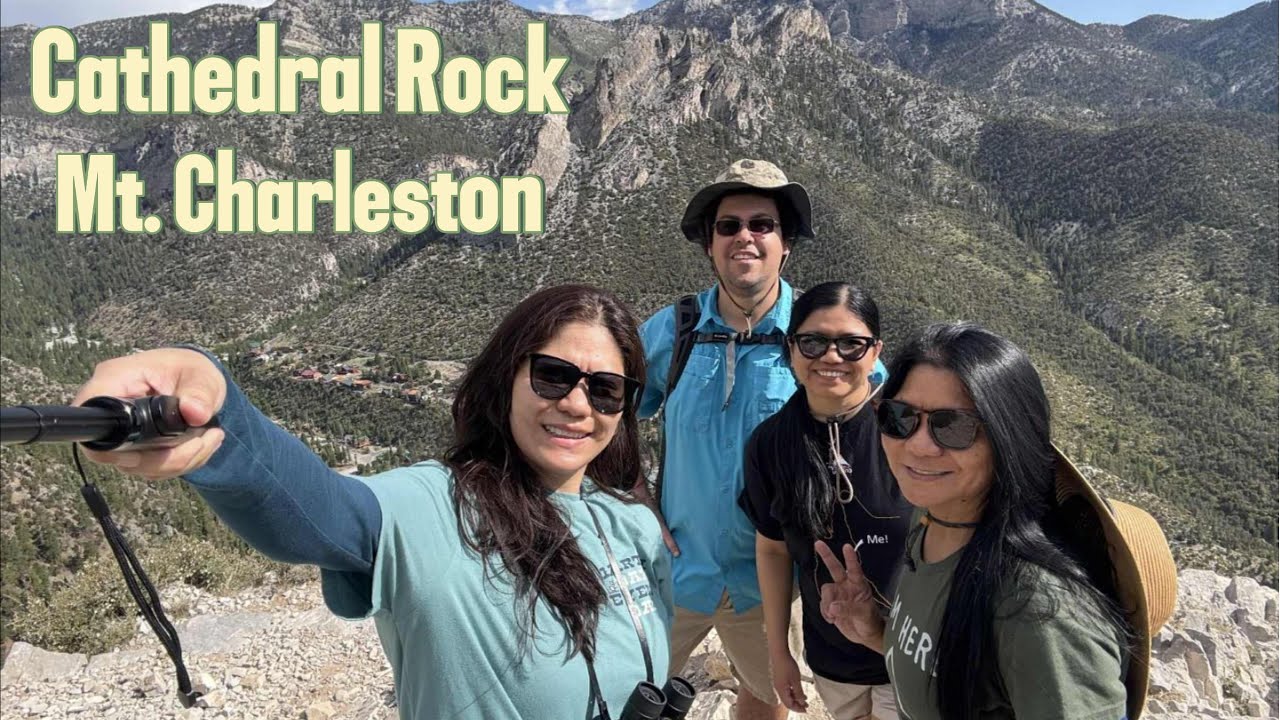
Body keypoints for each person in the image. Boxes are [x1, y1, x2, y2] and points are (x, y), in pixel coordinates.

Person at [74, 285, 675, 720]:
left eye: (606, 389)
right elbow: (319, 513)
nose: (578, 404)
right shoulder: (435, 506)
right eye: (553, 376)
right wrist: (215, 405)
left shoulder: (633, 528)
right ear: (505, 379)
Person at [814, 322, 1178, 720]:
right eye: (899, 417)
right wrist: (875, 632)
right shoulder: (933, 519)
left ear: (1008, 439)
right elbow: (951, 669)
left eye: (953, 426)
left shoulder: (1038, 611)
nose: (918, 445)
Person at [636, 159, 886, 720]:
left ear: (785, 244)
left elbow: (881, 425)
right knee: (626, 690)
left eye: (762, 224)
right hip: (675, 570)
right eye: (728, 226)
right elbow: (601, 410)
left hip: (774, 581)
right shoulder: (674, 331)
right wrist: (633, 495)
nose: (744, 237)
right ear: (709, 244)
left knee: (769, 695)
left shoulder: (818, 336)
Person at [739, 282, 910, 719]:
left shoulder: (908, 430)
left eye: (851, 344)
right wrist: (780, 653)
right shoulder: (771, 445)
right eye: (813, 342)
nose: (831, 357)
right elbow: (773, 549)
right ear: (791, 349)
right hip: (833, 661)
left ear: (875, 352)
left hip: (911, 656)